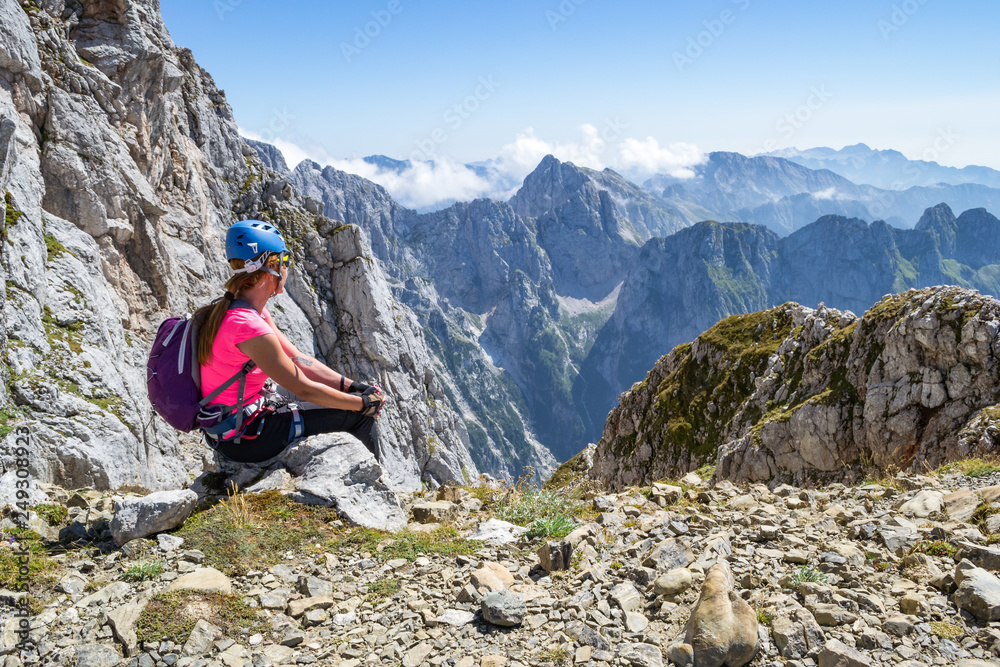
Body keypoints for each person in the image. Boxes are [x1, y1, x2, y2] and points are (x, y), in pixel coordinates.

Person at [194, 219, 387, 464]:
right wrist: (361, 406)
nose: (287, 268)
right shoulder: (249, 326)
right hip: (245, 437)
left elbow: (299, 360)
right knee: (359, 419)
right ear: (271, 266)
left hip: (232, 421)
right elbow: (303, 388)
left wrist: (351, 387)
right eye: (285, 261)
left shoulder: (242, 311)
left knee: (338, 402)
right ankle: (376, 489)